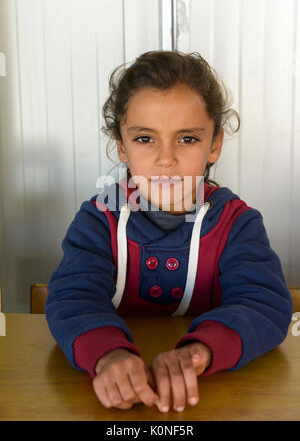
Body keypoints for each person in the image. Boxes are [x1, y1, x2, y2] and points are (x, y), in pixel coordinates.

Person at [45, 51, 293, 413]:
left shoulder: (237, 223)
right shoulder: (97, 220)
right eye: (145, 138)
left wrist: (202, 352)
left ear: (215, 145)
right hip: (109, 400)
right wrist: (106, 353)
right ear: (121, 146)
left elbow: (264, 304)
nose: (166, 158)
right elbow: (72, 297)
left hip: (206, 398)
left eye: (187, 139)